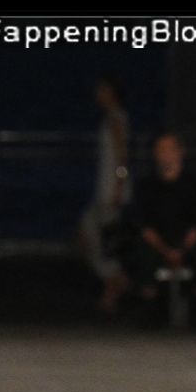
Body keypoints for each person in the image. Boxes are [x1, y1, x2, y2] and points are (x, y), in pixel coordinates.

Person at [107, 133, 196, 320]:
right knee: (142, 249)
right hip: (157, 241)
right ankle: (149, 304)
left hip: (186, 240)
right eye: (161, 150)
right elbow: (144, 225)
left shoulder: (193, 184)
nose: (165, 154)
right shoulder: (146, 185)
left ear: (180, 152)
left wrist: (181, 250)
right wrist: (165, 250)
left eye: (169, 149)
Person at [80, 75, 132, 295]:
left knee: (106, 238)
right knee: (88, 232)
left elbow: (122, 155)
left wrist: (119, 185)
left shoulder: (116, 117)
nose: (98, 95)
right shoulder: (111, 117)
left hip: (111, 190)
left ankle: (114, 285)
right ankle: (116, 280)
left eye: (102, 90)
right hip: (104, 188)